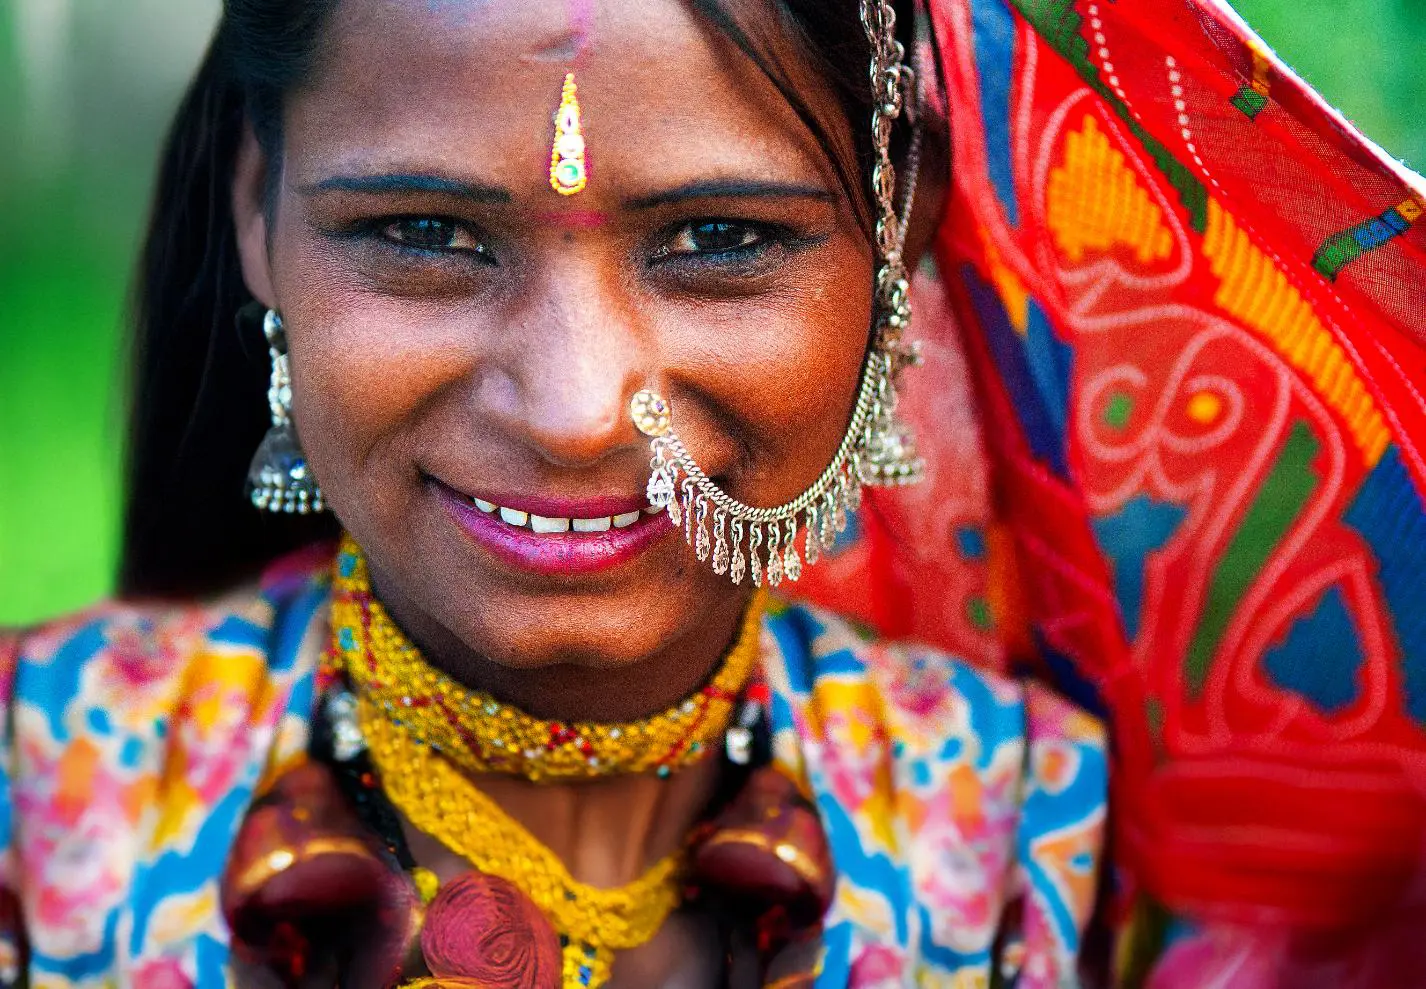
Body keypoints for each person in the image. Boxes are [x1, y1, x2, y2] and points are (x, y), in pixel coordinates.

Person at [1, 0, 1421, 987]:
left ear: (895, 230)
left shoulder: (1020, 817)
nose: (569, 413)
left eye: (718, 238)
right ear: (257, 213)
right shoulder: (41, 784)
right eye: (422, 234)